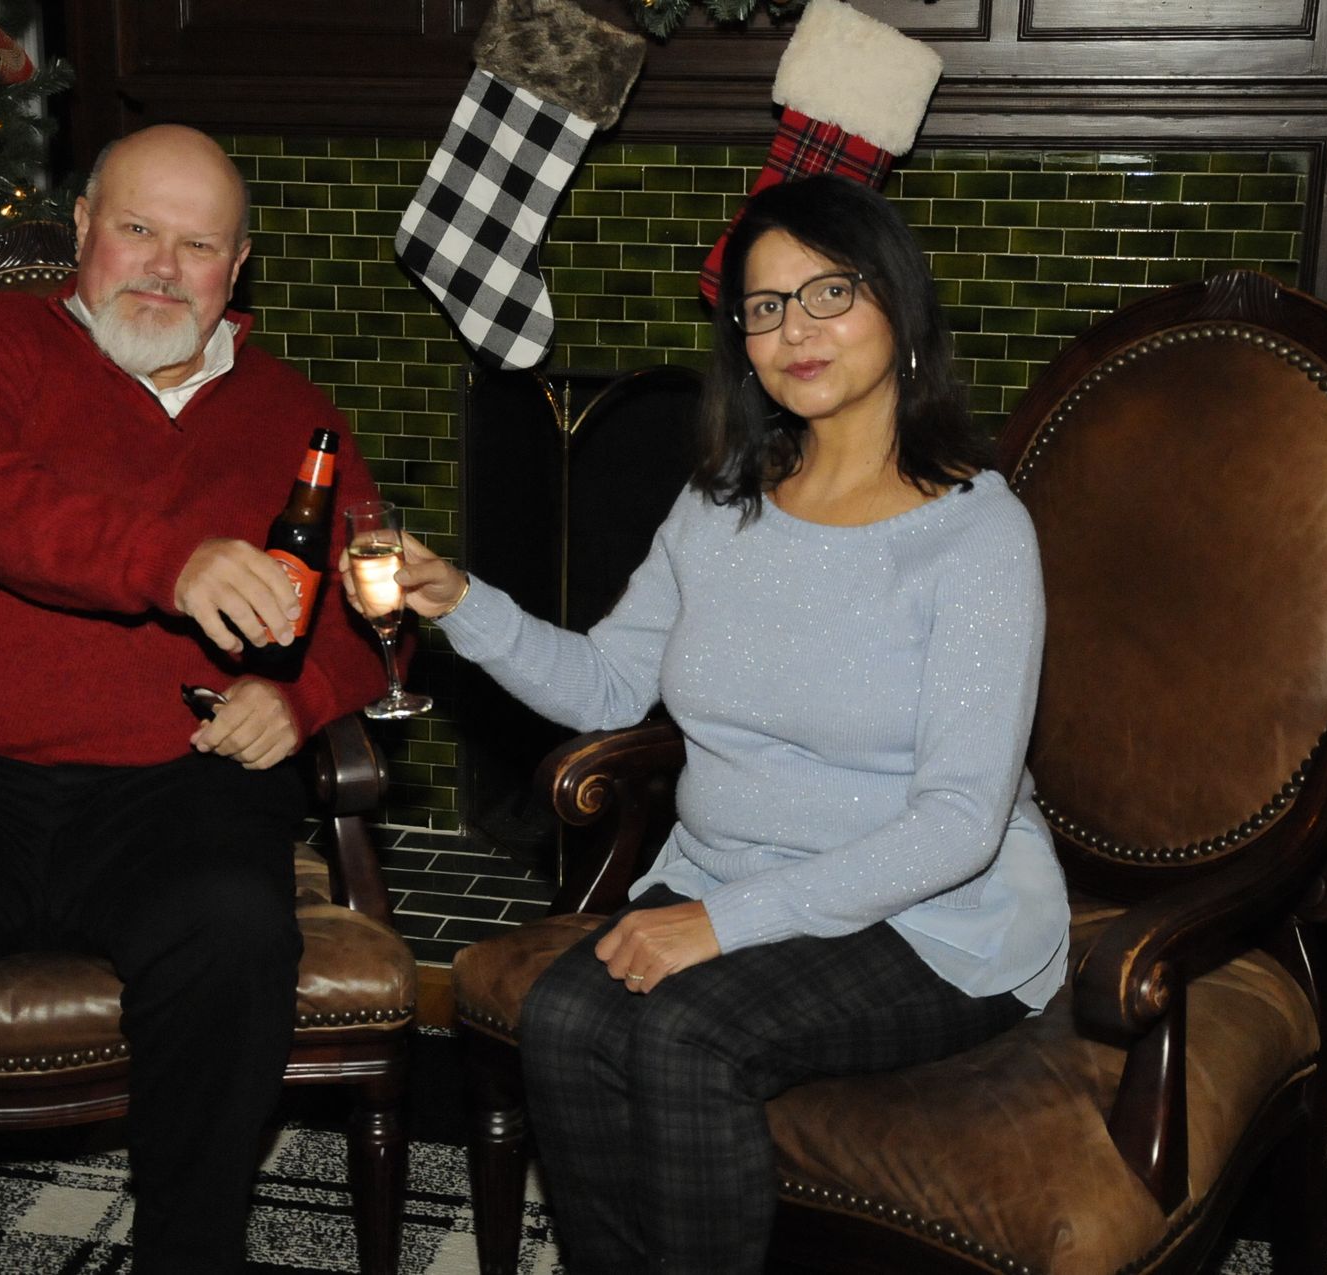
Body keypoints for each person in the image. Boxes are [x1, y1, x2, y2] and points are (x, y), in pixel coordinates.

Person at [370, 175, 1071, 1275]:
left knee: (687, 1035)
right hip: (723, 876)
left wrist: (724, 922)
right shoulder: (721, 504)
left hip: (937, 919)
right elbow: (608, 686)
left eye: (827, 293)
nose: (794, 329)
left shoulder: (976, 535)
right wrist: (465, 605)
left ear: (897, 303)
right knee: (565, 1021)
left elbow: (959, 825)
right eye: (763, 306)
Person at [0, 125, 389, 1275]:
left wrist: (309, 698)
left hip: (171, 782)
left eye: (197, 245)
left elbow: (362, 601)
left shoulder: (296, 415)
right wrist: (175, 563)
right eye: (137, 228)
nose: (160, 264)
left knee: (234, 931)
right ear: (84, 229)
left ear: (236, 269)